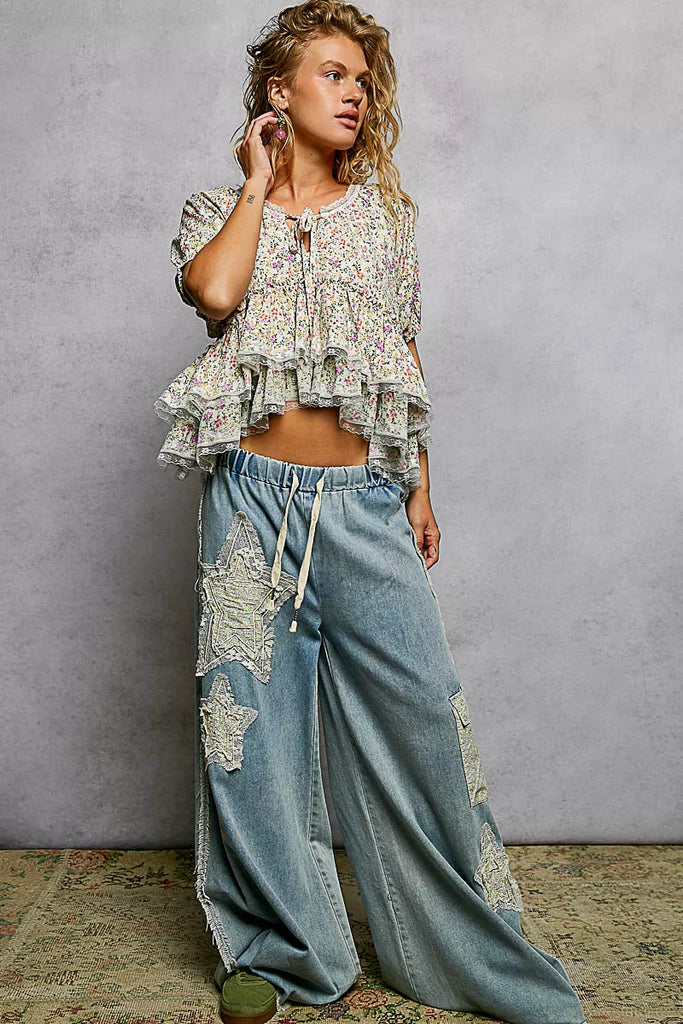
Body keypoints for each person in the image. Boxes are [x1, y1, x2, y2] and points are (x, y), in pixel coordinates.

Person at [154, 3, 588, 1023]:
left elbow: (400, 356)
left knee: (423, 718)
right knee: (250, 733)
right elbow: (214, 294)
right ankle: (282, 951)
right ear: (278, 93)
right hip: (249, 505)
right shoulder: (217, 209)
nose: (353, 93)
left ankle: (466, 954)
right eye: (332, 74)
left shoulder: (381, 218)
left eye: (361, 80)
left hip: (360, 501)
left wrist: (418, 484)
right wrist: (256, 182)